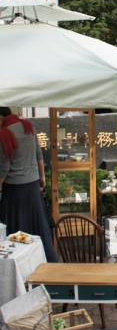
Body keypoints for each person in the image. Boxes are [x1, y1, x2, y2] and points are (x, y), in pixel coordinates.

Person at [0, 107, 57, 262]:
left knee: (15, 230)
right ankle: (47, 262)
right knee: (38, 226)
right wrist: (42, 177)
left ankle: (18, 266)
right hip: (32, 186)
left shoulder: (4, 133)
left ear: (2, 117)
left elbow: (4, 166)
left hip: (14, 191)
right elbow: (38, 153)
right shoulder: (27, 126)